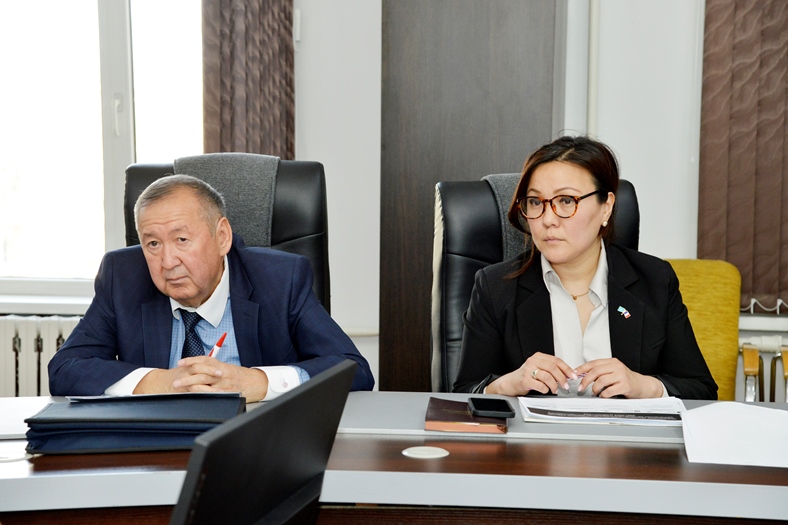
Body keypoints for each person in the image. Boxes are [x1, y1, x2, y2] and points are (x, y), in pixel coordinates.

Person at [49, 174, 374, 401]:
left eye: (181, 239)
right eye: (153, 244)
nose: (167, 261)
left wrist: (259, 381)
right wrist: (157, 381)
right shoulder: (122, 276)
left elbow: (353, 369)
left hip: (255, 443)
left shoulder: (280, 279)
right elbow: (64, 369)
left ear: (222, 237)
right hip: (158, 446)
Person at [453, 136, 717, 399]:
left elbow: (701, 391)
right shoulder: (496, 287)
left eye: (566, 201)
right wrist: (506, 385)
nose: (548, 219)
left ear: (606, 208)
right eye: (535, 202)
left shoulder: (655, 280)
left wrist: (644, 386)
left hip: (625, 428)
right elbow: (463, 393)